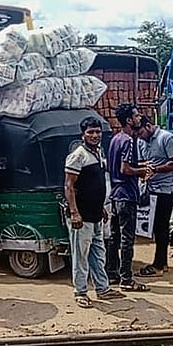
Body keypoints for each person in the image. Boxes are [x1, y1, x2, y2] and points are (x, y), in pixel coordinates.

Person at [64, 116, 125, 308]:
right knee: (80, 255)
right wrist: (74, 213)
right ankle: (80, 291)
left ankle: (102, 288)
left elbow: (95, 184)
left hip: (96, 215)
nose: (95, 135)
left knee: (98, 253)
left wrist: (100, 208)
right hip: (81, 217)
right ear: (83, 135)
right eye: (90, 132)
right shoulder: (78, 155)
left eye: (97, 132)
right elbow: (69, 185)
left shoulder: (98, 153)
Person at [106, 104, 152, 292]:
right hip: (126, 195)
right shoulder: (127, 141)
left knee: (114, 237)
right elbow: (125, 169)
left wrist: (140, 164)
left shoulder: (115, 139)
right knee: (127, 240)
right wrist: (142, 171)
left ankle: (111, 273)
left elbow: (116, 166)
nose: (139, 117)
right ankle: (126, 278)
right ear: (128, 120)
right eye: (135, 115)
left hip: (116, 195)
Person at [137, 118, 173, 277]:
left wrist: (156, 169)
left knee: (161, 227)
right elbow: (143, 162)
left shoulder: (166, 138)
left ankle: (158, 265)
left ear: (148, 126)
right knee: (156, 227)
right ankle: (162, 262)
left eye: (141, 132)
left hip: (166, 190)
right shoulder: (142, 141)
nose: (140, 136)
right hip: (151, 189)